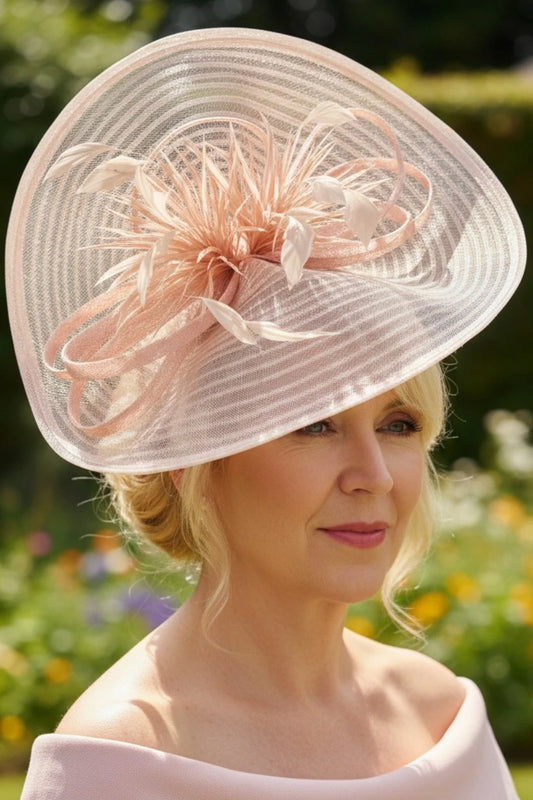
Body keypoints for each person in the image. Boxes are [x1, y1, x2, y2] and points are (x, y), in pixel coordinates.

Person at [6, 27, 526, 800]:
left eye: (398, 425)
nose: (372, 475)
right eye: (313, 424)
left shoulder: (440, 713)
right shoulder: (116, 760)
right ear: (195, 460)